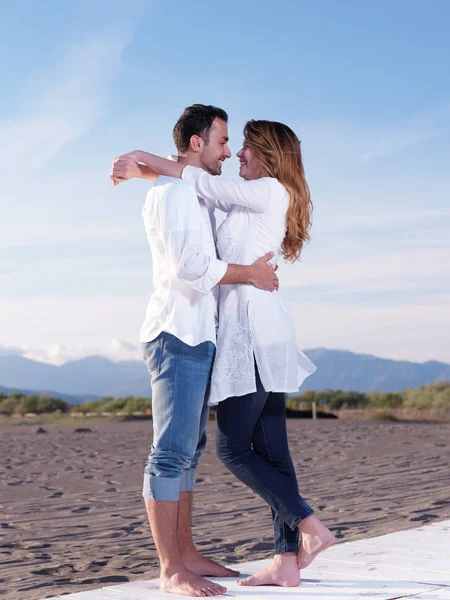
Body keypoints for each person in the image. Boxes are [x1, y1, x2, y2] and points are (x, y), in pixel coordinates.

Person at [112, 118, 335, 589]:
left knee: (233, 449)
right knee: (272, 450)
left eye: (246, 145)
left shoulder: (268, 190)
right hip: (245, 330)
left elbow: (196, 182)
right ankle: (286, 560)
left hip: (250, 332)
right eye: (229, 142)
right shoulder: (238, 199)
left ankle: (309, 528)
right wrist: (150, 172)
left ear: (270, 155)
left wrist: (143, 159)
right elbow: (195, 187)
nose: (236, 153)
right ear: (200, 142)